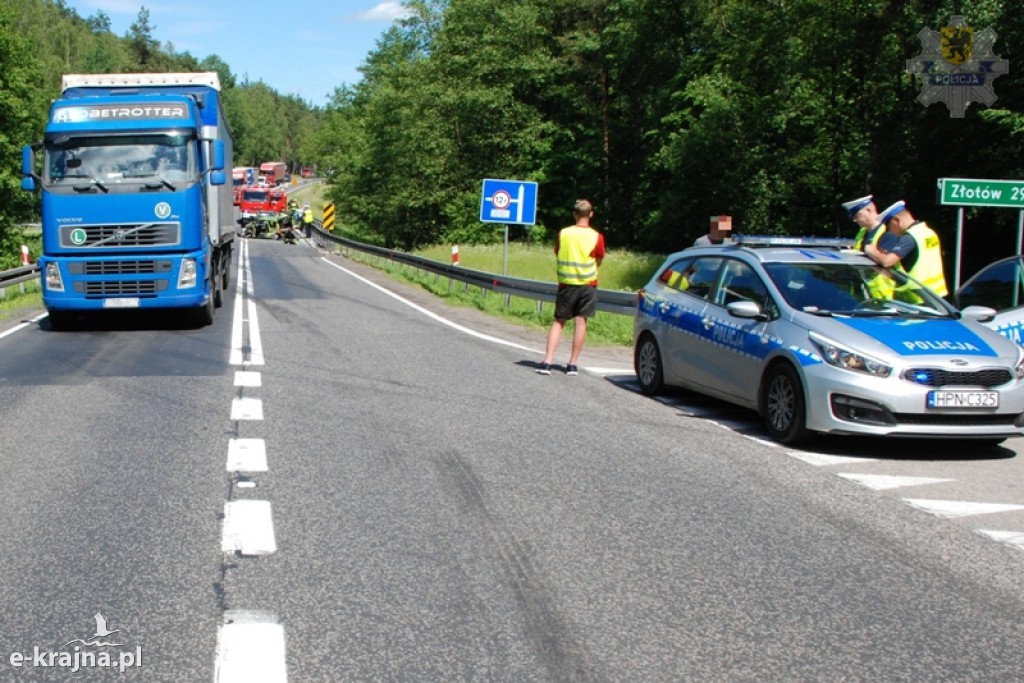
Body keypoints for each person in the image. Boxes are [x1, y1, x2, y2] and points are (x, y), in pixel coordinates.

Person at [537, 199, 606, 376]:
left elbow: (557, 252)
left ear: (574, 214)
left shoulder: (564, 233)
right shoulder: (596, 236)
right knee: (581, 322)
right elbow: (599, 258)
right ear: (591, 214)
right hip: (587, 284)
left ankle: (548, 361)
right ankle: (572, 364)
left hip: (567, 283)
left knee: (559, 321)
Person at [864, 200, 948, 297]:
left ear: (896, 221)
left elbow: (887, 261)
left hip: (917, 297)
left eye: (889, 226)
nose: (890, 232)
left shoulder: (910, 237)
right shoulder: (928, 232)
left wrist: (871, 250)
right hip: (936, 296)